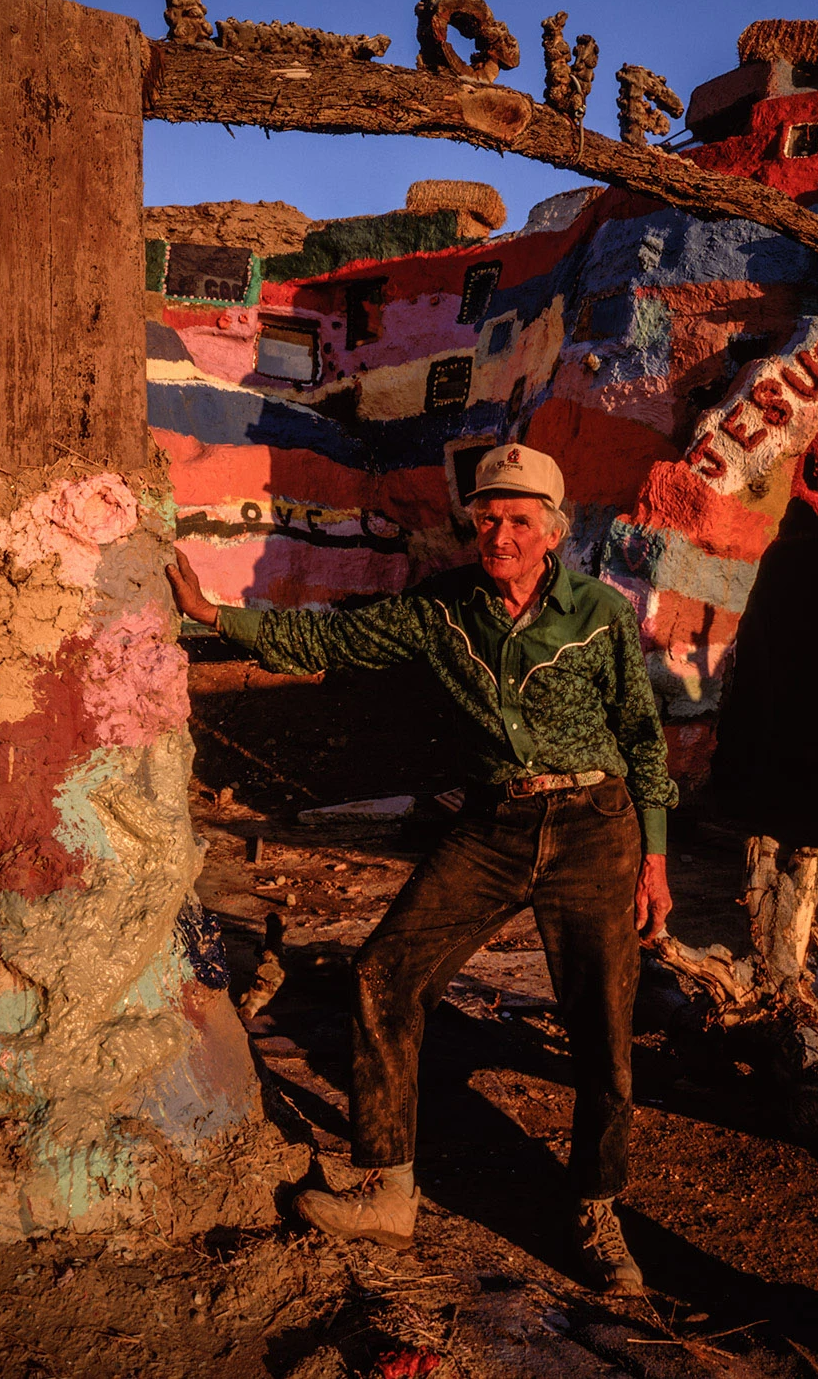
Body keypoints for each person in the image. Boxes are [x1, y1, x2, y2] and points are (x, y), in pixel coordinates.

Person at [163, 443, 675, 1293]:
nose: (498, 534)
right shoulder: (442, 610)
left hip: (596, 826)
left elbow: (643, 736)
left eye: (516, 520)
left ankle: (597, 1210)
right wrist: (218, 615)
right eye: (487, 518)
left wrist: (655, 860)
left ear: (552, 531)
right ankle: (390, 1188)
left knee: (601, 1028)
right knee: (384, 973)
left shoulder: (599, 614)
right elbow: (337, 639)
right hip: (494, 822)